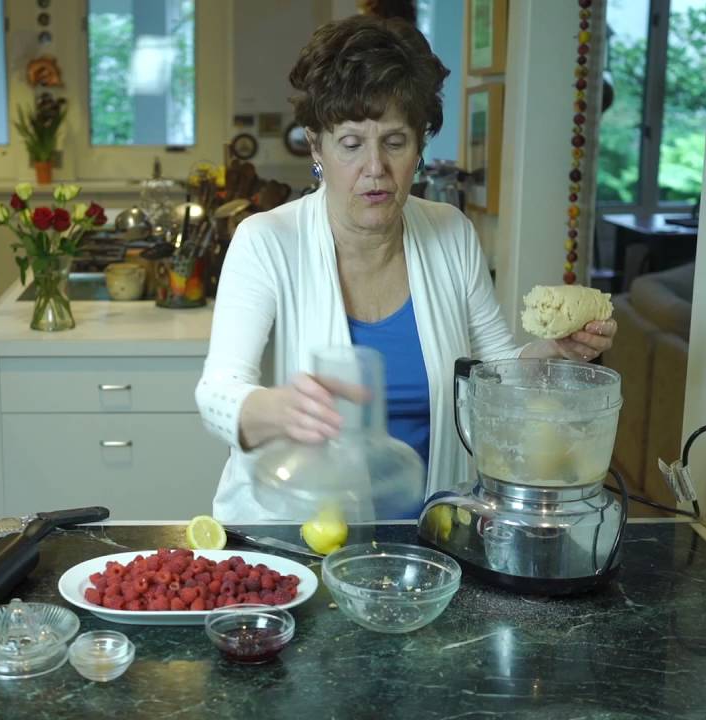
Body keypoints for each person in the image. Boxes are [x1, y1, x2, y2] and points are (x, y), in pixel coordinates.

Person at [195, 15, 617, 522]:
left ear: (419, 145)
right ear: (316, 146)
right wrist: (275, 409)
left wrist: (554, 353)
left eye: (394, 142)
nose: (375, 167)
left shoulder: (451, 233)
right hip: (295, 534)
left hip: (430, 535)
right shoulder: (267, 241)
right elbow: (218, 391)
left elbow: (492, 378)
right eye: (351, 144)